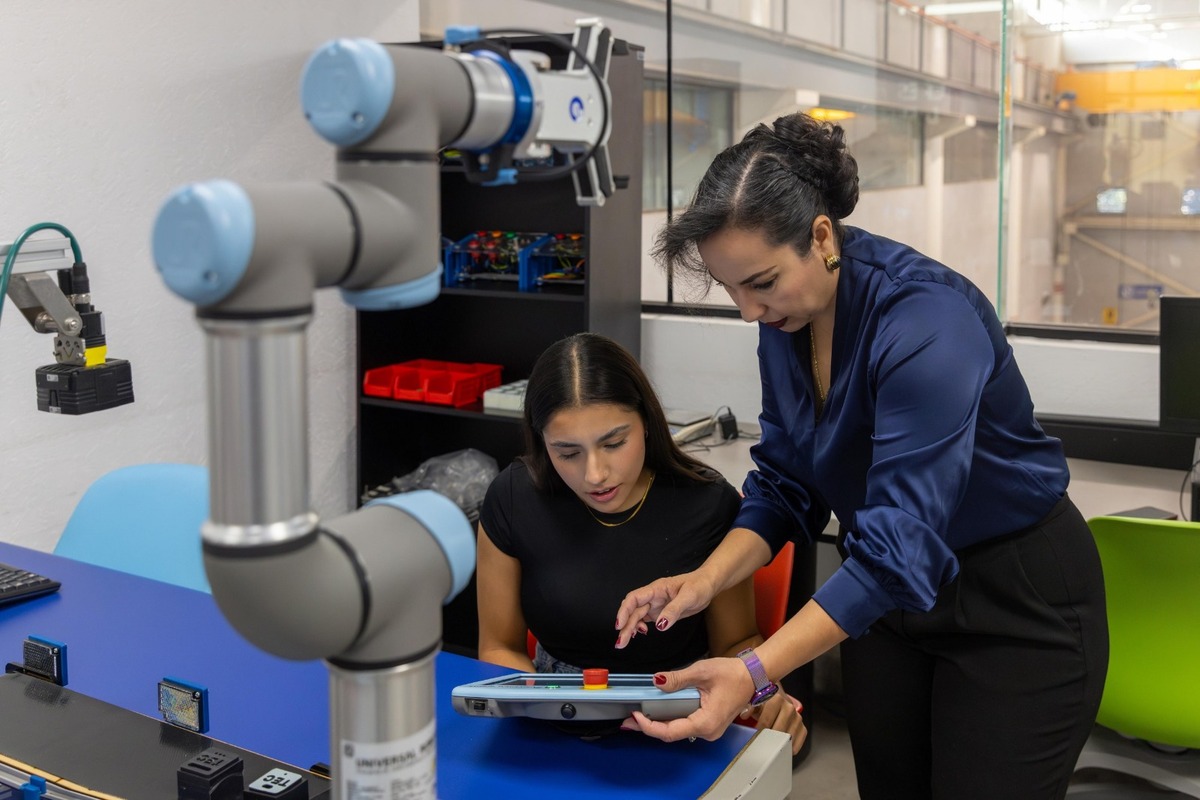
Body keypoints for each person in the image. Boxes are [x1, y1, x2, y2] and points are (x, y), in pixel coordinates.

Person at [614, 113, 1108, 799]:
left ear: (821, 236)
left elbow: (901, 546)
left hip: (1012, 598)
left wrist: (753, 671)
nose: (748, 312)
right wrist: (707, 578)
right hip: (885, 607)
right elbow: (787, 483)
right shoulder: (791, 316)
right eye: (730, 289)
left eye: (760, 282)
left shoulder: (927, 320)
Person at [475, 332, 806, 752]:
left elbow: (735, 643)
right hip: (551, 718)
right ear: (541, 441)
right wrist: (546, 702)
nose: (595, 474)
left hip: (684, 718)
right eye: (567, 452)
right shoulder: (512, 497)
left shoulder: (707, 503)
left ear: (647, 423)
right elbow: (498, 645)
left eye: (614, 443)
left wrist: (760, 686)